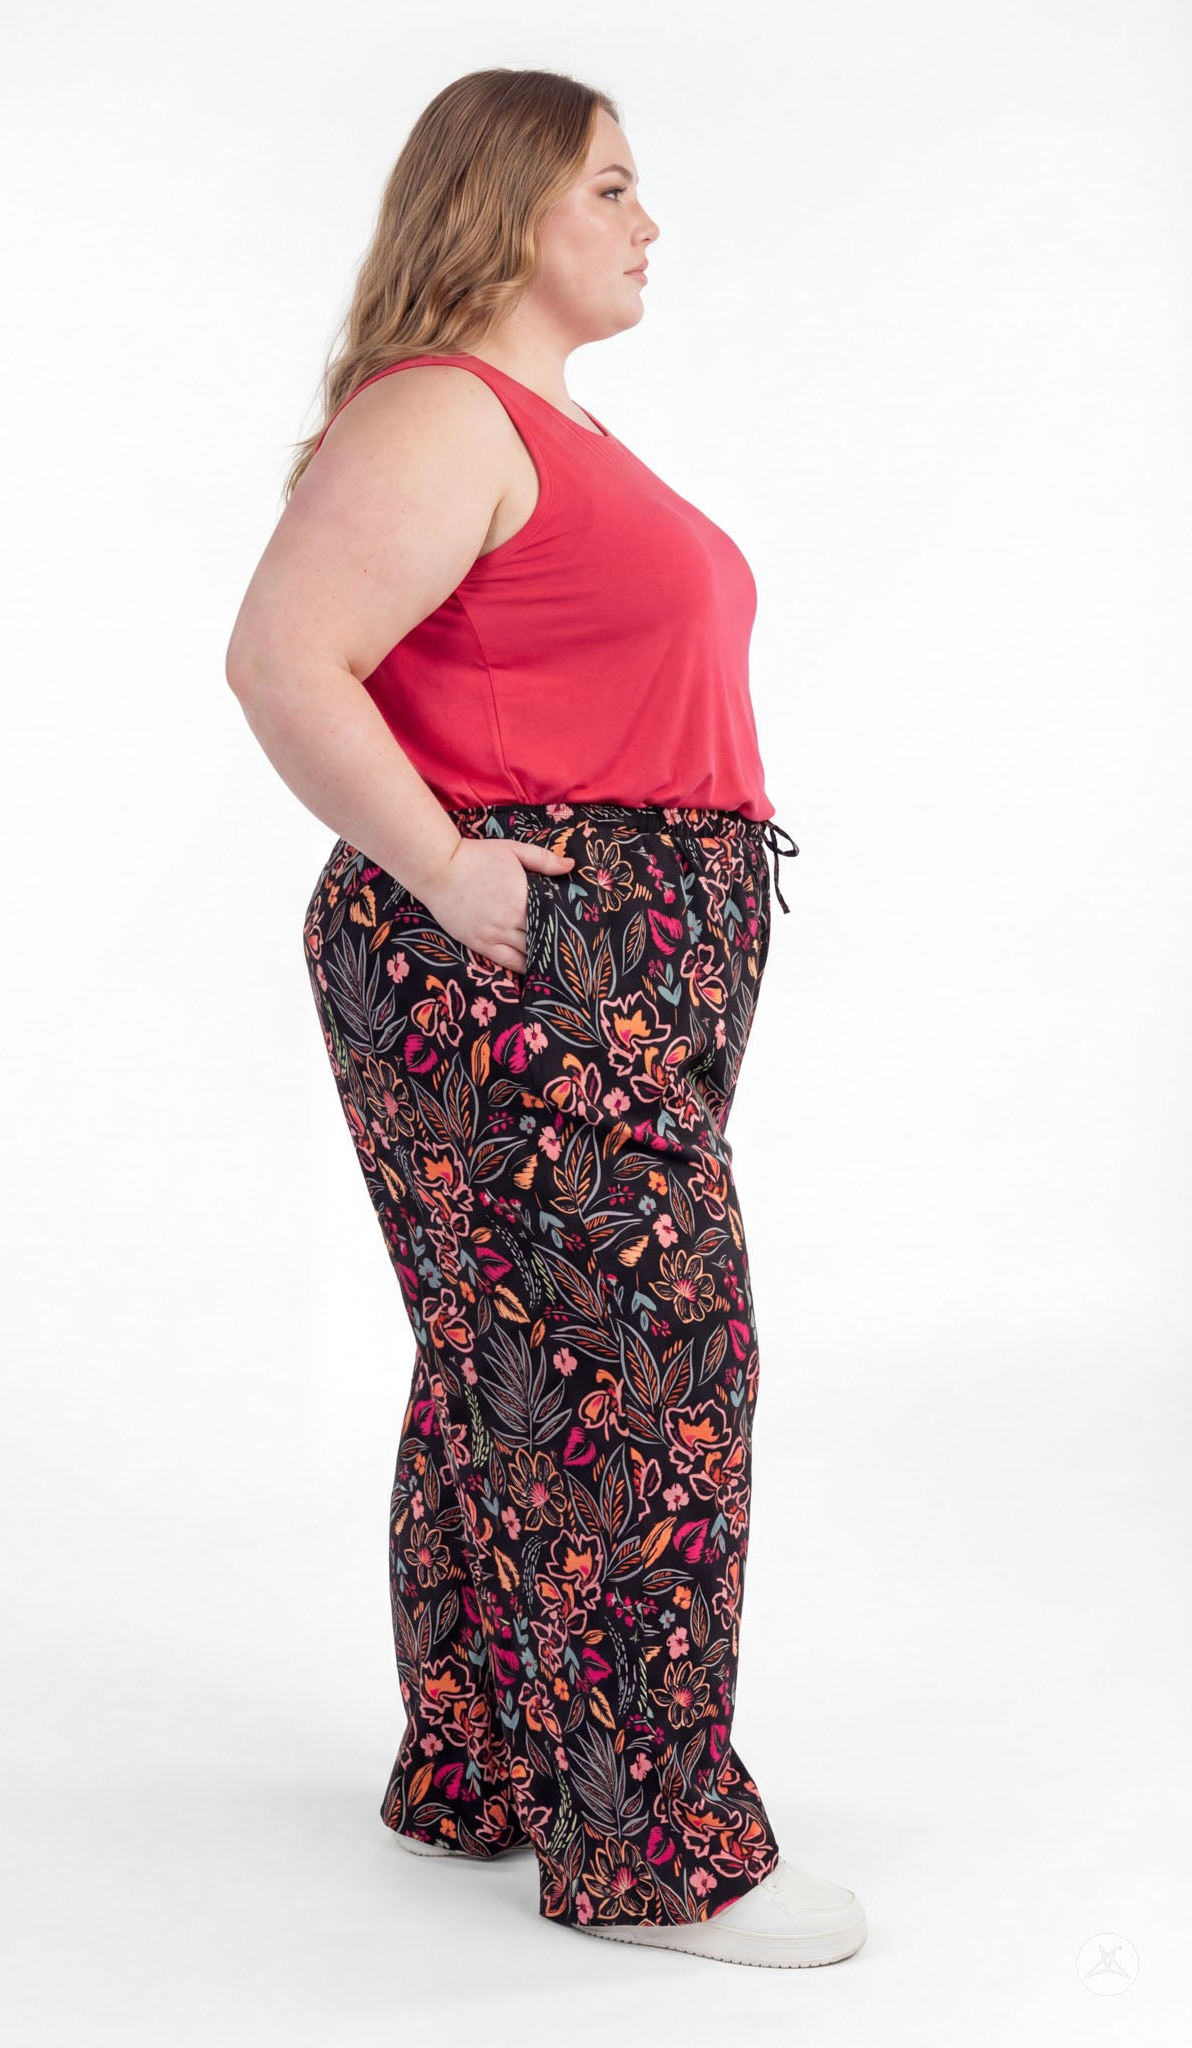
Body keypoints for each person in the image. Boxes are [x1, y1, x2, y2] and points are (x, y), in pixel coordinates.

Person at [225, 67, 866, 1970]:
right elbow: (280, 657)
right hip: (514, 948)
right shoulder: (443, 409)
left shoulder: (548, 434)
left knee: (517, 1349)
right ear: (507, 207)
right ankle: (653, 1857)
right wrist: (453, 875)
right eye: (609, 185)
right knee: (646, 1364)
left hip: (608, 951)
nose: (647, 218)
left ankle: (493, 1770)